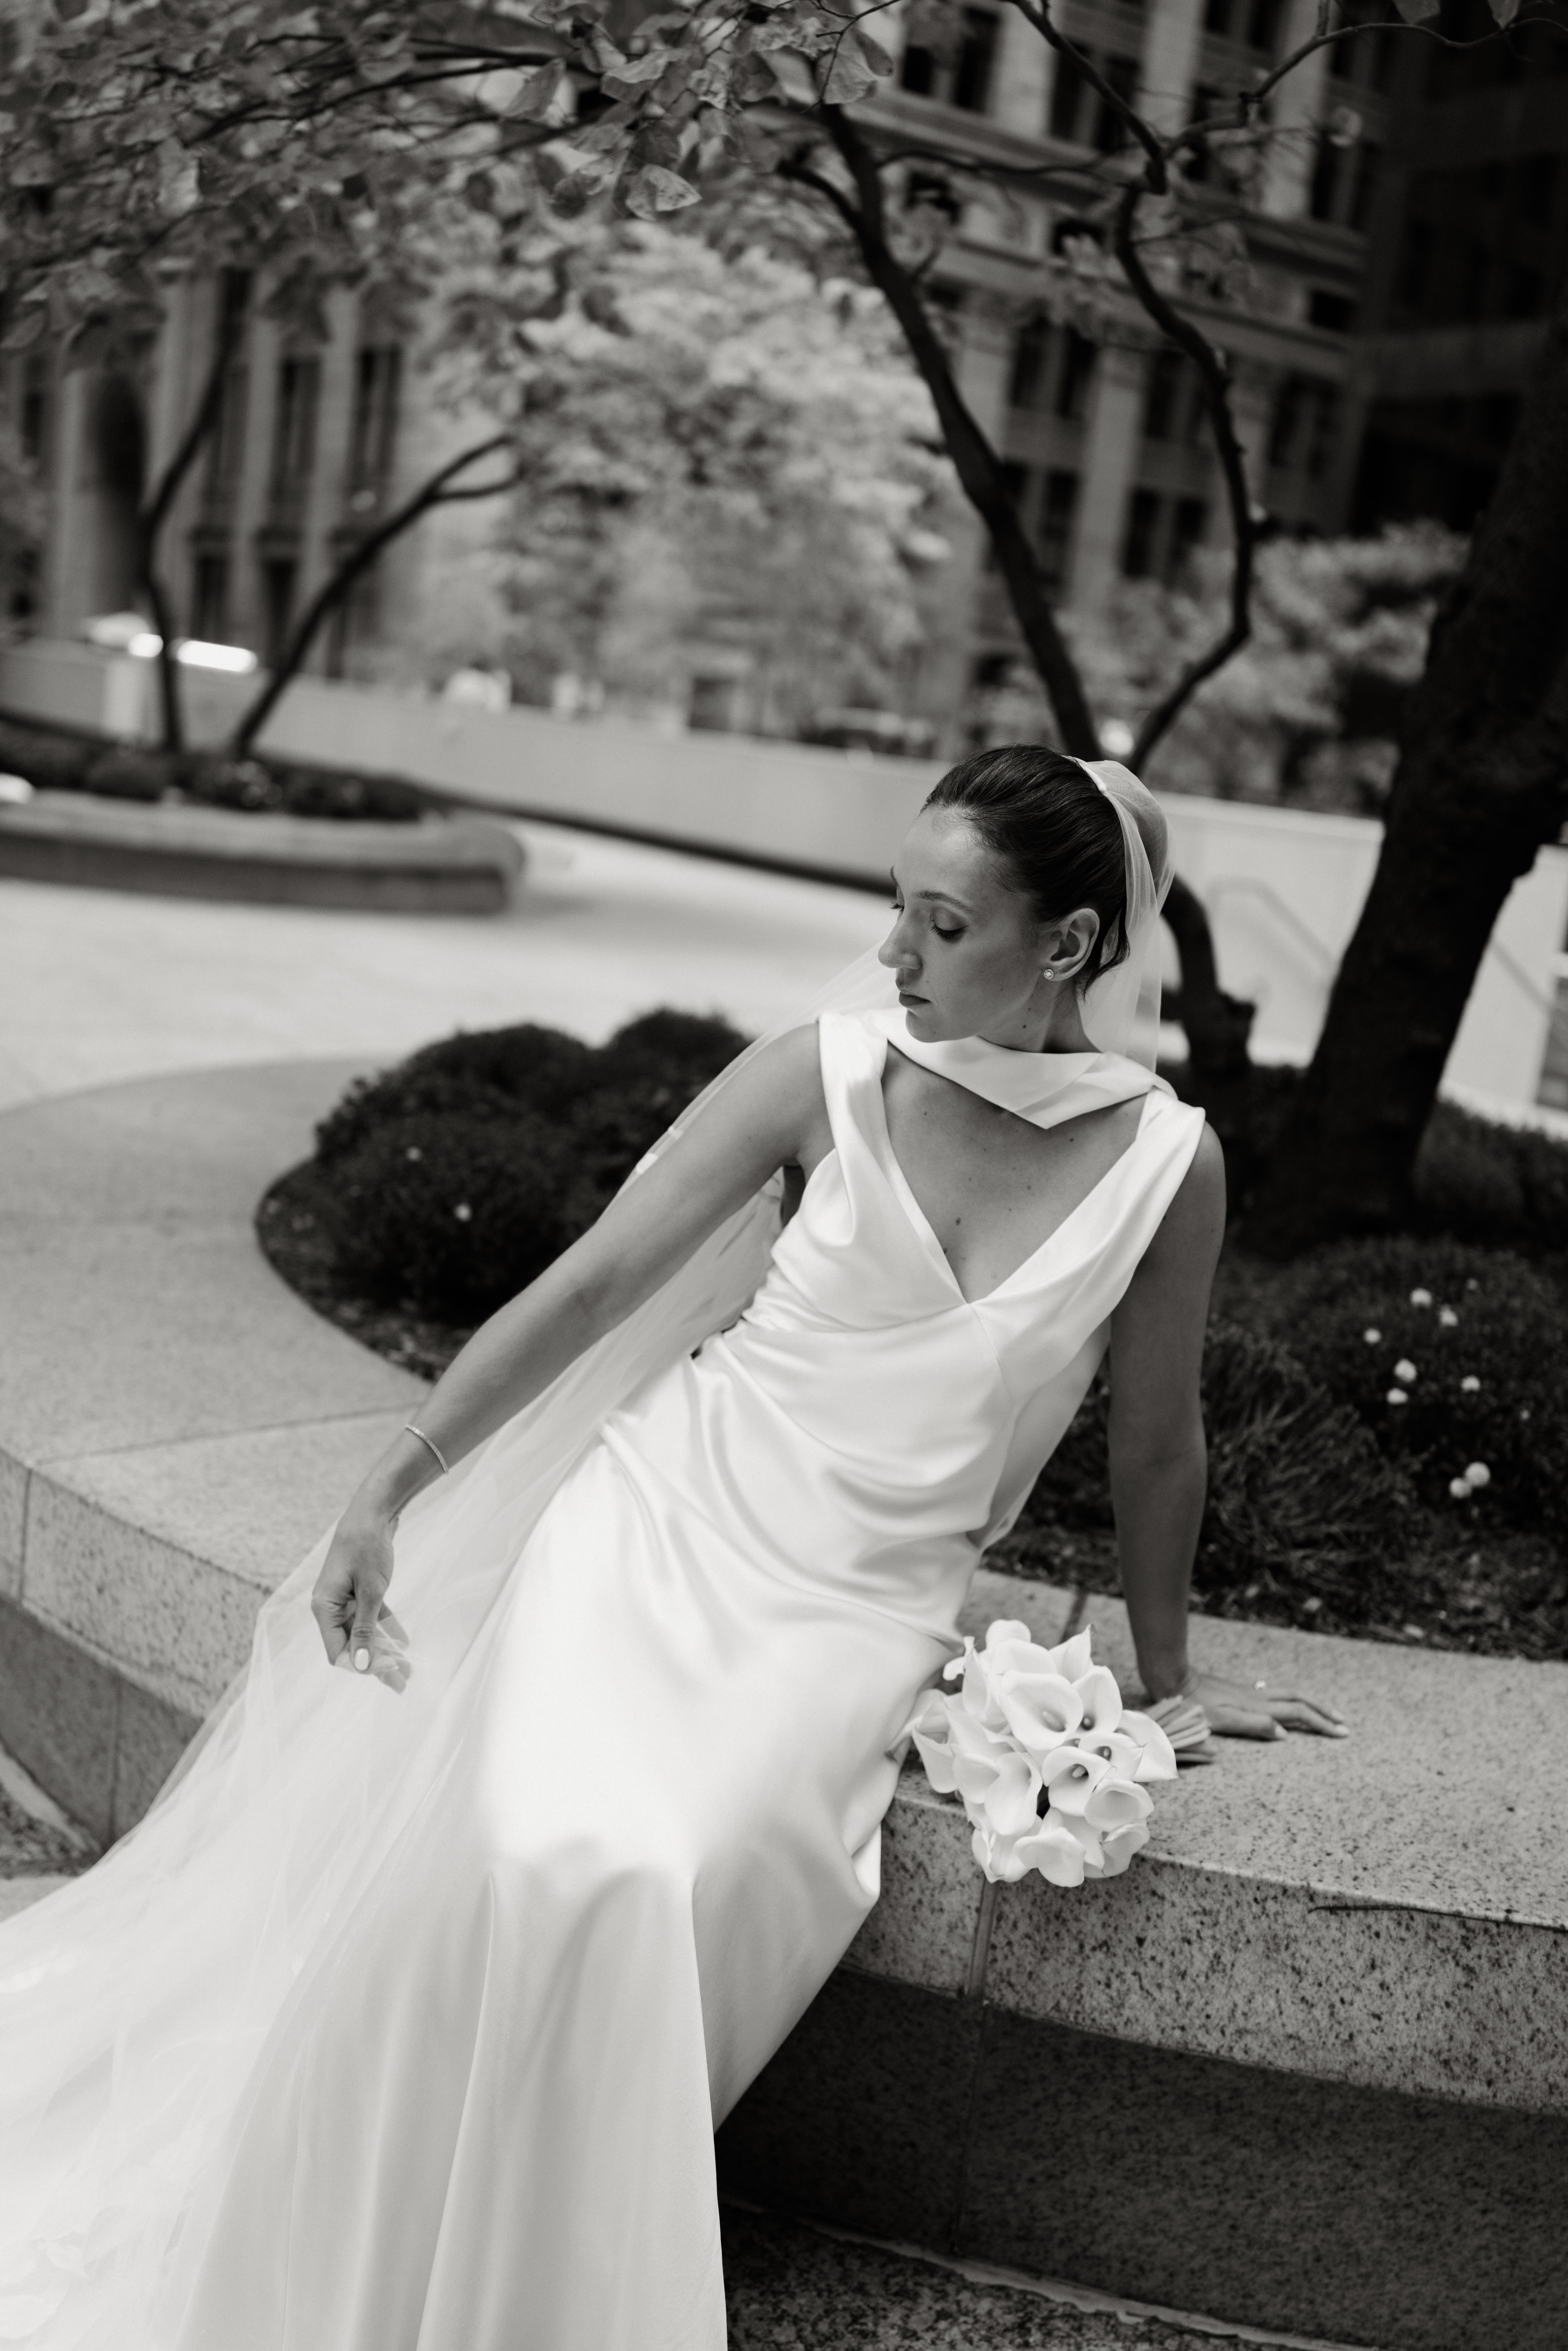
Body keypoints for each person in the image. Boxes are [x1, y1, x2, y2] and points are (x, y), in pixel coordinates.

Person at [0, 748, 1341, 2351]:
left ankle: (517, 2290)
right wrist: (388, 1493)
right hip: (657, 1523)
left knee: (651, 1873)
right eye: (892, 913)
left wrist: (1172, 1682)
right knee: (543, 1846)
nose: (894, 956)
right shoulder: (820, 1073)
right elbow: (589, 1289)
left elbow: (1156, 1438)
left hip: (851, 1614)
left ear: (1062, 949)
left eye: (941, 923)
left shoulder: (1163, 1164)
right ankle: (363, 2234)